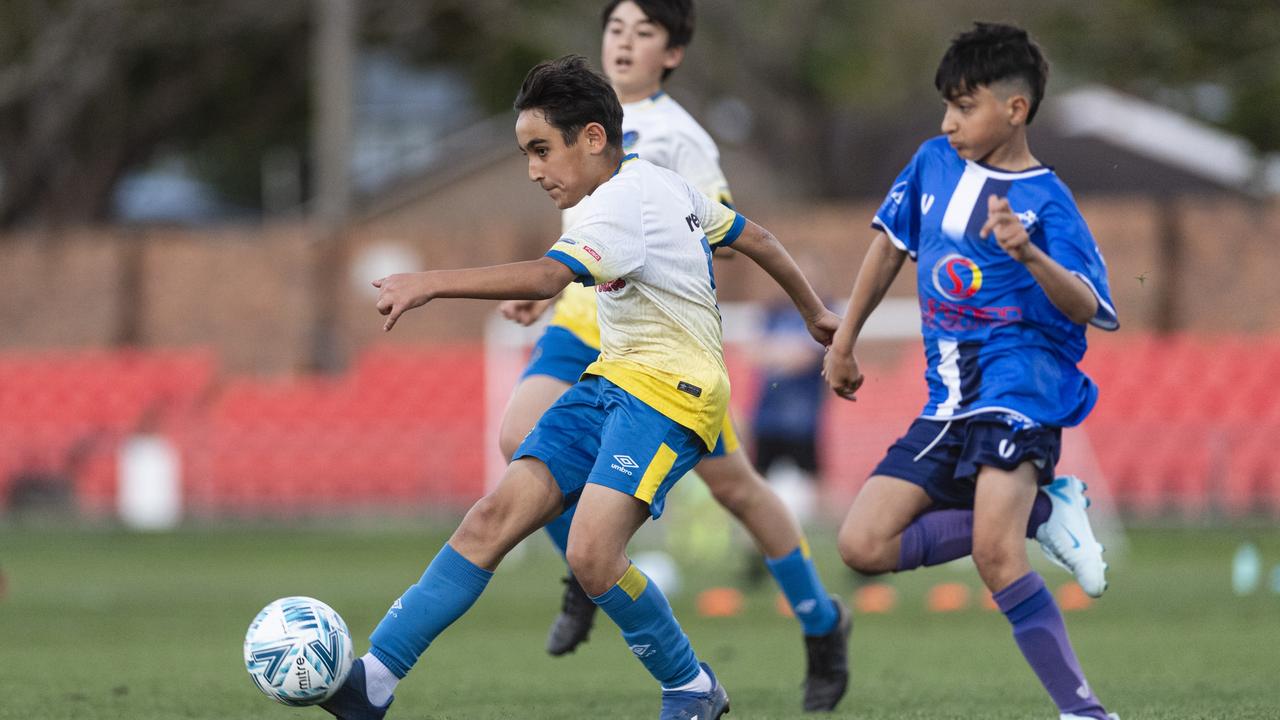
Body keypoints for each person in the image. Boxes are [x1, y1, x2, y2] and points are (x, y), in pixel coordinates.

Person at [320, 55, 840, 720]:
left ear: (592, 137)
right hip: (612, 380)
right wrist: (813, 311)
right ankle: (374, 679)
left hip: (673, 396)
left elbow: (545, 278)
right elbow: (755, 236)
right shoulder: (655, 183)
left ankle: (692, 687)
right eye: (526, 153)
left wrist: (429, 282)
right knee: (492, 517)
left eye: (541, 150)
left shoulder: (622, 205)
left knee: (595, 554)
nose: (534, 169)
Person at [495, 1, 851, 711]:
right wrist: (546, 287)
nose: (625, 43)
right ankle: (587, 571)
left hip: (657, 348)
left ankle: (820, 620)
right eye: (616, 29)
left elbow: (710, 236)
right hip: (579, 324)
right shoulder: (576, 124)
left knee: (737, 488)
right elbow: (584, 227)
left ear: (674, 53)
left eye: (644, 32)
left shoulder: (684, 140)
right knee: (517, 437)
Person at [822, 23, 1119, 720]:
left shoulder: (1049, 201)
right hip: (948, 399)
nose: (948, 122)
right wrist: (845, 340)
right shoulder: (931, 163)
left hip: (1022, 390)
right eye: (947, 107)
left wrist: (1030, 255)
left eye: (965, 107)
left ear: (1014, 109)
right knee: (862, 544)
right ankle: (1046, 511)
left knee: (994, 555)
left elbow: (1094, 306)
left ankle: (1084, 712)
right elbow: (889, 248)